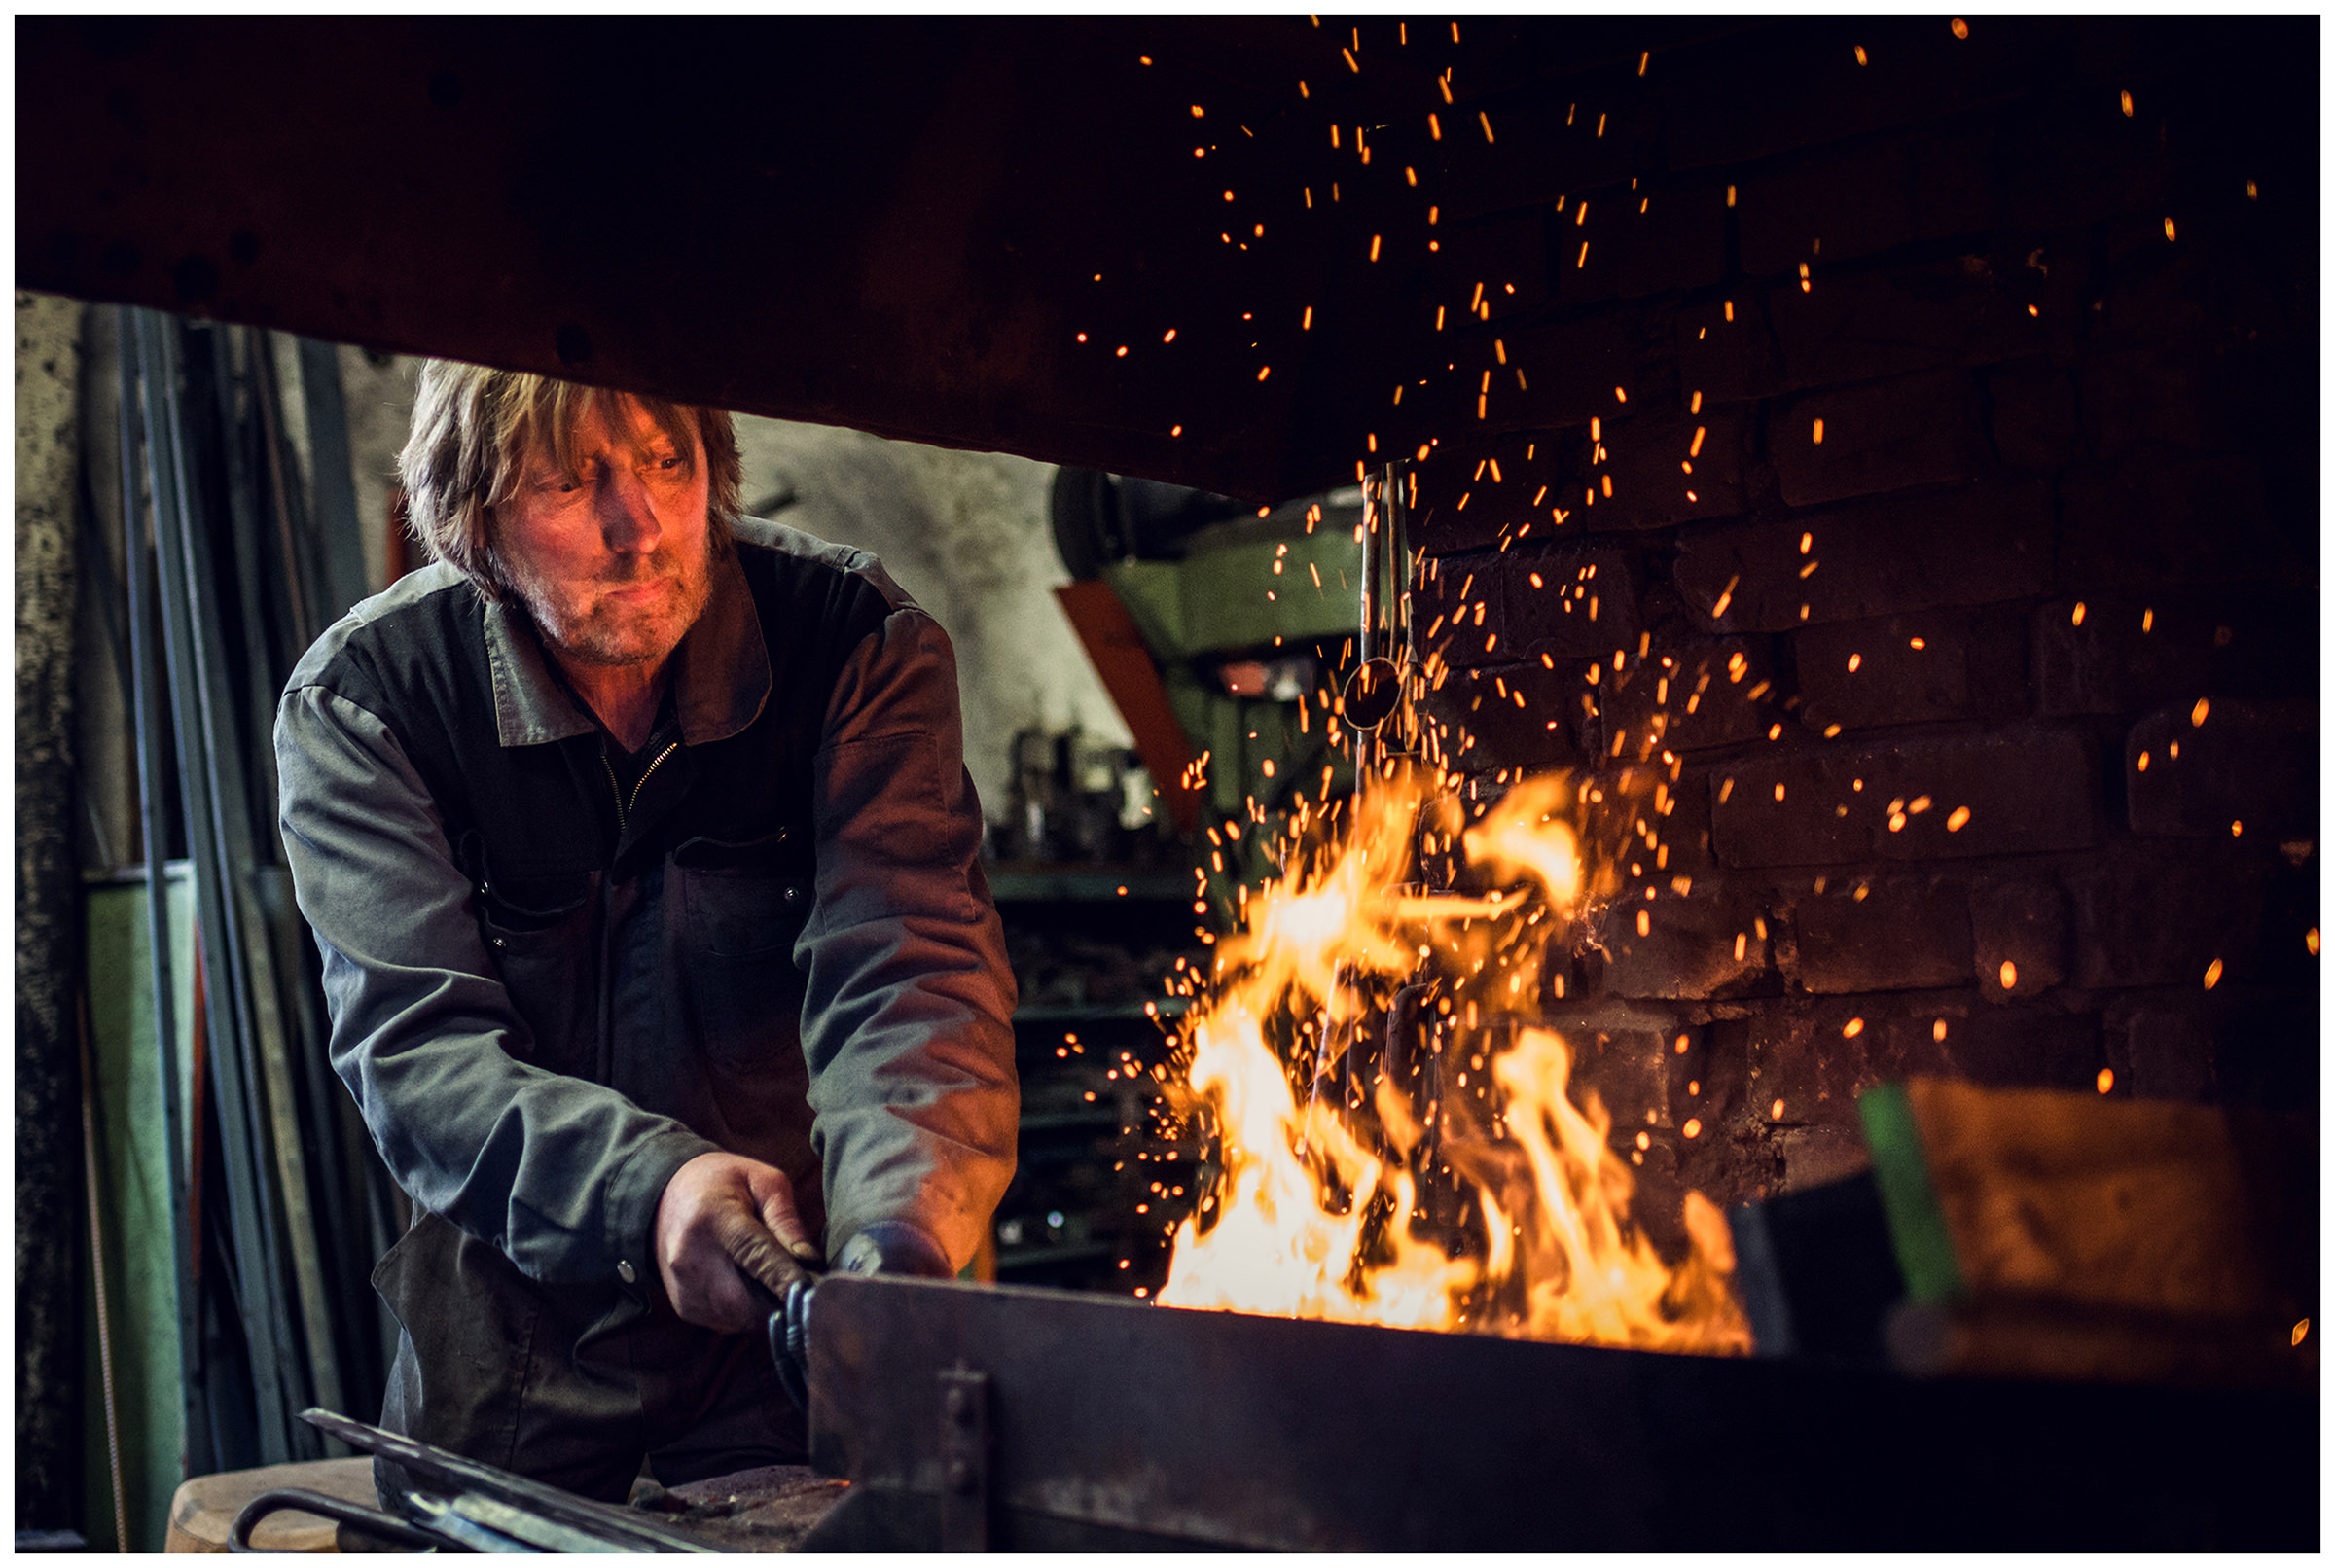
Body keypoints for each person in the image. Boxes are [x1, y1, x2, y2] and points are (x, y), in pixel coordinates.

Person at [274, 364, 1018, 1504]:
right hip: (515, 1346)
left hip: (790, 1308)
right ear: (473, 519)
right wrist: (649, 1192)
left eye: (668, 464)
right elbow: (420, 1053)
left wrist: (893, 1251)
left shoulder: (852, 644)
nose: (642, 530)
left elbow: (911, 969)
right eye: (572, 483)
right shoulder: (372, 702)